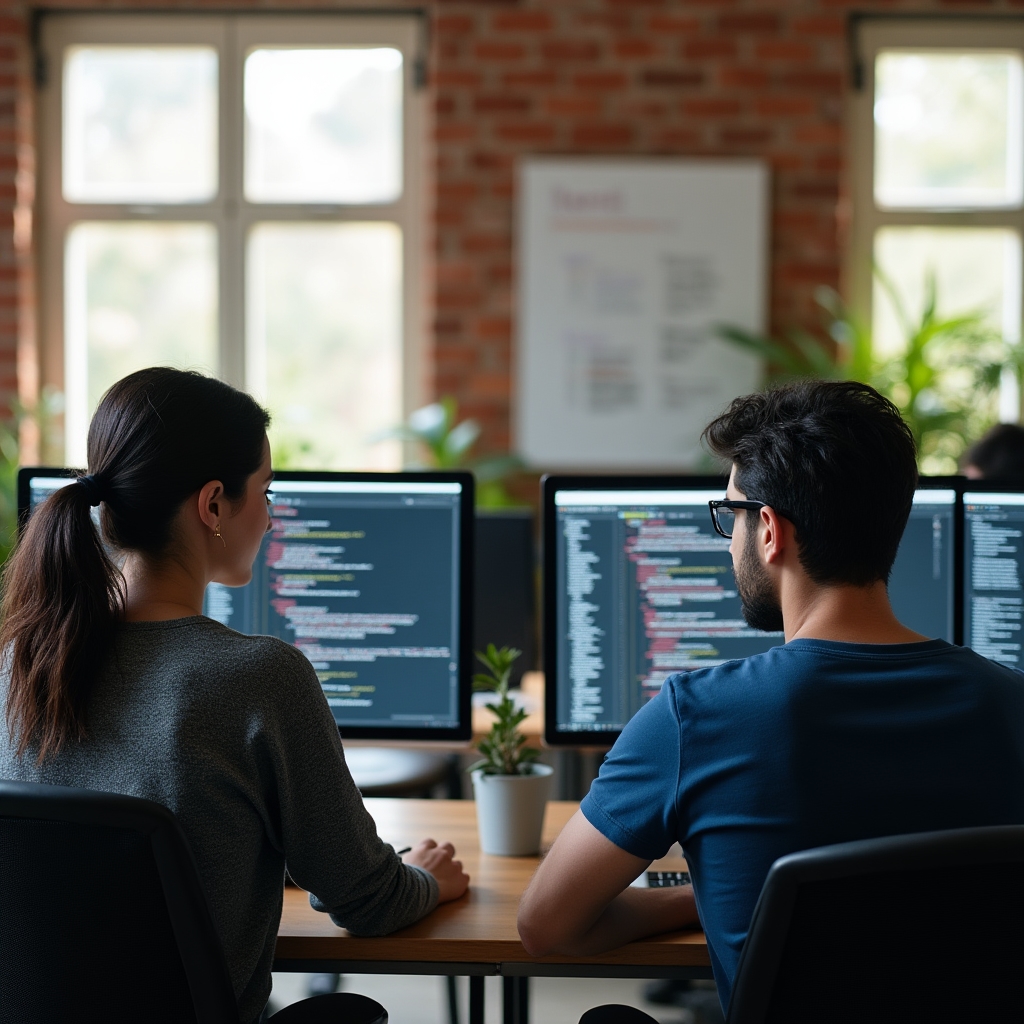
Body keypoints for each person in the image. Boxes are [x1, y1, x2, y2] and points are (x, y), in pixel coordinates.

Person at [517, 380, 1024, 1013]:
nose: (727, 539)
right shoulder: (1010, 705)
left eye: (729, 514)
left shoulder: (696, 716)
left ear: (768, 530)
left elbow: (546, 926)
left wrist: (700, 898)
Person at [0, 368, 469, 1024]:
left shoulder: (17, 668)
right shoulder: (259, 678)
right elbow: (370, 903)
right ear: (213, 504)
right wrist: (426, 879)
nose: (272, 516)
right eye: (267, 492)